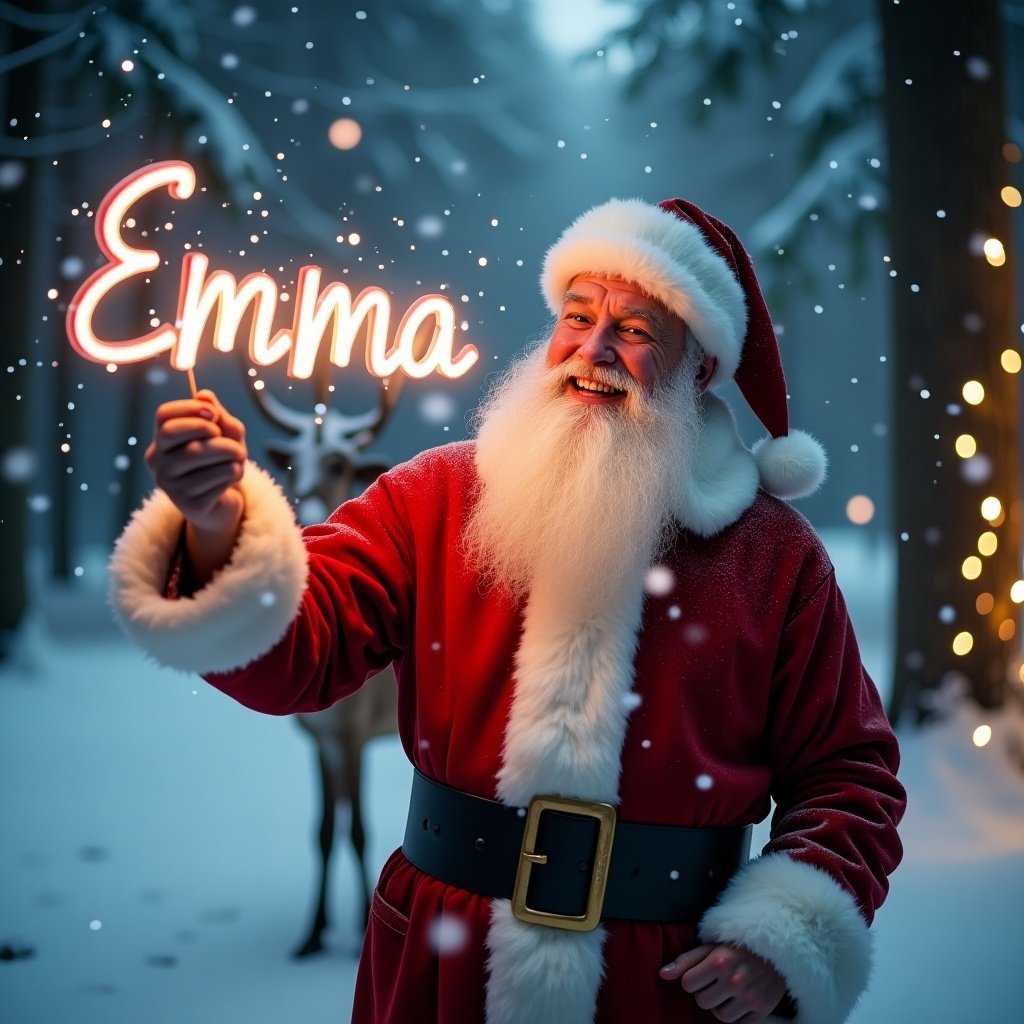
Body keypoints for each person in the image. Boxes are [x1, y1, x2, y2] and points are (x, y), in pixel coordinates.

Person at [109, 196, 905, 1024]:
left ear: (700, 368)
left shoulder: (773, 557)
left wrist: (778, 942)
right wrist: (215, 533)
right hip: (444, 965)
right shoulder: (435, 498)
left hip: (666, 983)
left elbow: (851, 776)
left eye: (634, 330)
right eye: (576, 316)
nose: (591, 350)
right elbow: (302, 649)